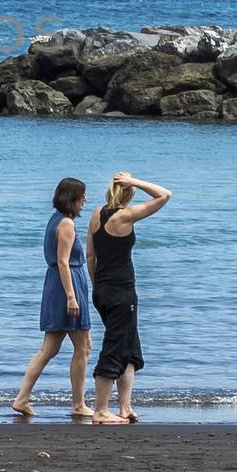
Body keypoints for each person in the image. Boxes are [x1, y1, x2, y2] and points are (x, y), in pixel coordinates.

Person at [88, 171, 172, 424]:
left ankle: (125, 407)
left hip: (103, 290)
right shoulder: (125, 216)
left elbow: (91, 257)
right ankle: (101, 410)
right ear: (130, 192)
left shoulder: (96, 213)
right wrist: (135, 181)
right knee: (114, 348)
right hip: (121, 292)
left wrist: (96, 286)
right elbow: (164, 195)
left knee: (130, 347)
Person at [11, 177, 94, 419]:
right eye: (82, 196)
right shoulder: (66, 223)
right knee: (83, 347)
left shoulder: (55, 220)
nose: (85, 200)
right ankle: (78, 404)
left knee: (49, 348)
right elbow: (63, 261)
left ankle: (22, 398)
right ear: (74, 199)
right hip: (66, 286)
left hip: (55, 284)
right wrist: (71, 296)